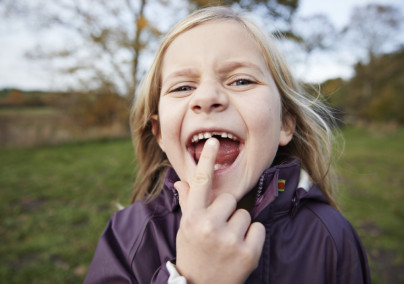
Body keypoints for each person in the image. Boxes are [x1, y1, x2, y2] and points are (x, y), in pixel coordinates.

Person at [84, 6, 370, 284]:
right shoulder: (127, 235)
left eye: (241, 81)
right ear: (159, 133)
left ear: (285, 124)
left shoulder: (332, 236)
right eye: (182, 87)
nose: (207, 96)